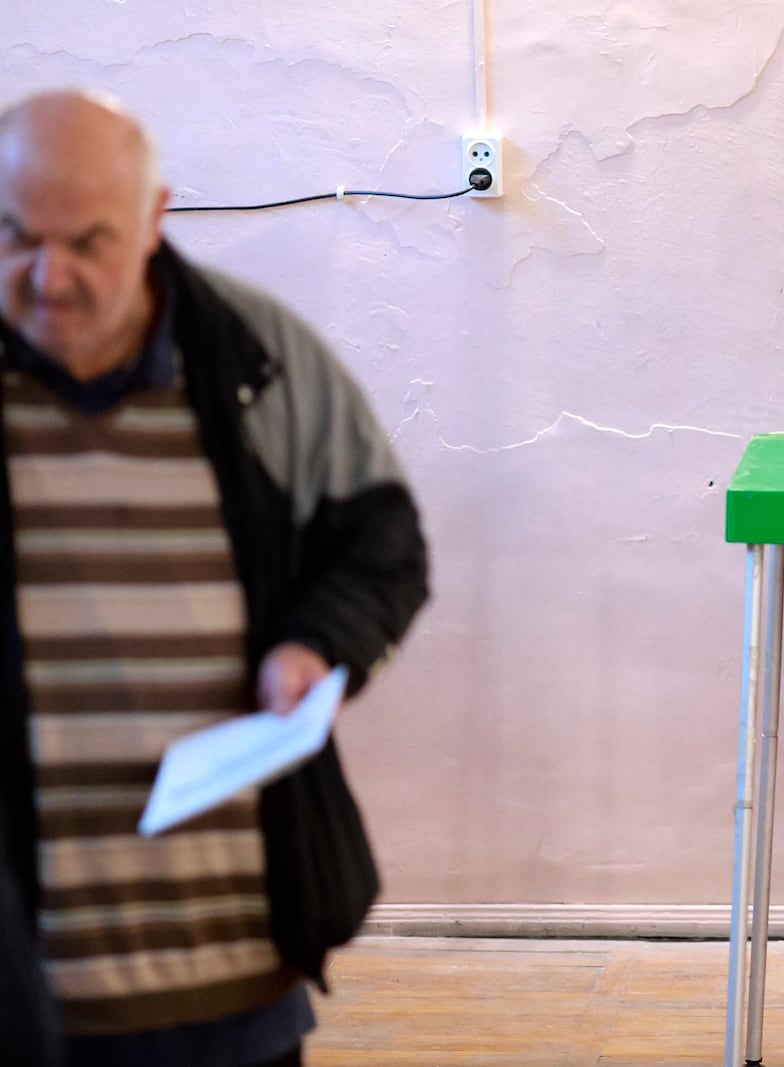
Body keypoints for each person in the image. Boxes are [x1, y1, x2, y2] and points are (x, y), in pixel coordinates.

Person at [0, 90, 429, 1067]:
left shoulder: (260, 361)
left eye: (87, 243)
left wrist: (315, 641)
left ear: (155, 218)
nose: (46, 276)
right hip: (25, 982)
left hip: (231, 974)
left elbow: (381, 541)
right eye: (15, 237)